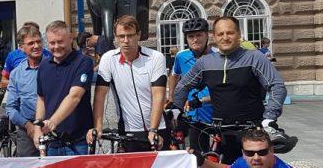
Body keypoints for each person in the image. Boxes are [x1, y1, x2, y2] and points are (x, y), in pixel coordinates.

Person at [173, 16, 288, 168]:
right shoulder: (206, 63)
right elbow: (183, 85)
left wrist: (269, 117)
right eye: (220, 34)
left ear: (238, 34)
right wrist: (175, 108)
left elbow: (277, 86)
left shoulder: (254, 58)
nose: (225, 37)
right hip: (221, 130)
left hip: (250, 131)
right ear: (214, 37)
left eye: (230, 33)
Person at [93, 15, 167, 153]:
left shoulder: (155, 57)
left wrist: (153, 129)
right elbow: (100, 96)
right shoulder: (108, 59)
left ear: (138, 35)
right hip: (128, 130)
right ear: (115, 37)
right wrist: (97, 128)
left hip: (158, 128)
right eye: (121, 36)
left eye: (130, 35)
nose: (126, 40)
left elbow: (159, 96)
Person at [29, 19, 94, 156]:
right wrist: (37, 129)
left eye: (60, 42)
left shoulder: (83, 62)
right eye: (52, 43)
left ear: (70, 38)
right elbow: (41, 99)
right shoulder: (44, 66)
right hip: (51, 143)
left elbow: (74, 97)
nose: (56, 46)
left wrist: (53, 122)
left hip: (77, 143)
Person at [167, 18, 214, 154]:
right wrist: (172, 98)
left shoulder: (217, 55)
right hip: (193, 112)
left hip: (215, 110)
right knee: (197, 153)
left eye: (199, 35)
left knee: (222, 154)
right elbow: (174, 74)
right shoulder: (181, 56)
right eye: (191, 36)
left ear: (207, 35)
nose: (195, 39)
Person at [4, 25, 47, 156]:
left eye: (38, 41)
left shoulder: (53, 66)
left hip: (51, 126)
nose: (36, 46)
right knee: (27, 167)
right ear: (21, 47)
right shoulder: (16, 74)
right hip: (26, 131)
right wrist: (27, 125)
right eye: (31, 43)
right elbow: (10, 108)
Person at [0, 21, 50, 89]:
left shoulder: (48, 55)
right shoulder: (13, 56)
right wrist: (22, 83)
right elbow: (3, 82)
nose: (36, 46)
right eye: (31, 42)